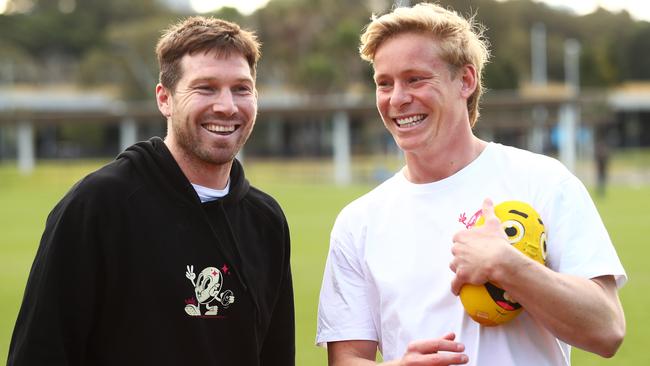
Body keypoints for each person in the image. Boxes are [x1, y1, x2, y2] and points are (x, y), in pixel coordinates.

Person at [316, 3, 626, 365]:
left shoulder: (543, 181)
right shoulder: (358, 223)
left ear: (466, 80)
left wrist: (509, 267)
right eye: (384, 83)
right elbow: (347, 357)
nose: (397, 99)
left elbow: (607, 330)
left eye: (415, 79)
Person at [8, 16, 294, 366]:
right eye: (205, 88)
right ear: (165, 99)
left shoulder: (266, 221)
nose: (227, 106)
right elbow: (40, 353)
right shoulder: (98, 206)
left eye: (241, 88)